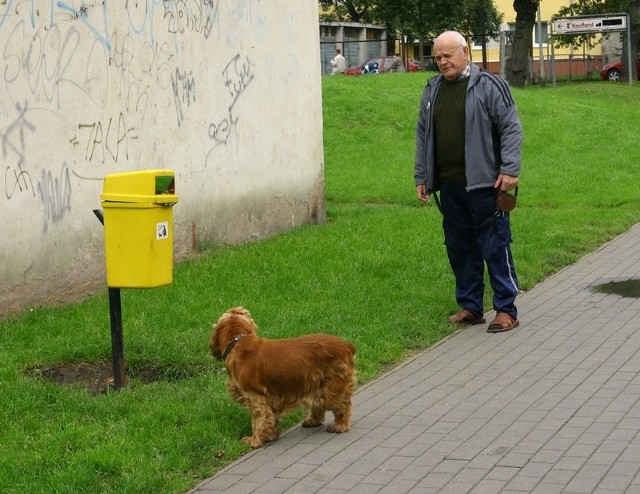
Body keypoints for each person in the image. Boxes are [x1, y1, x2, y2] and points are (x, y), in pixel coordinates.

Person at [414, 30, 522, 333]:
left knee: (494, 245)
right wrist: (422, 176)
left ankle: (506, 309)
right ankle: (472, 307)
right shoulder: (432, 89)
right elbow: (423, 135)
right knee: (459, 247)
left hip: (485, 184)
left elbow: (511, 127)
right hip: (449, 186)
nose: (442, 62)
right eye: (438, 57)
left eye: (447, 55)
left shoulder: (490, 85)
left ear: (465, 53)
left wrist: (510, 169)